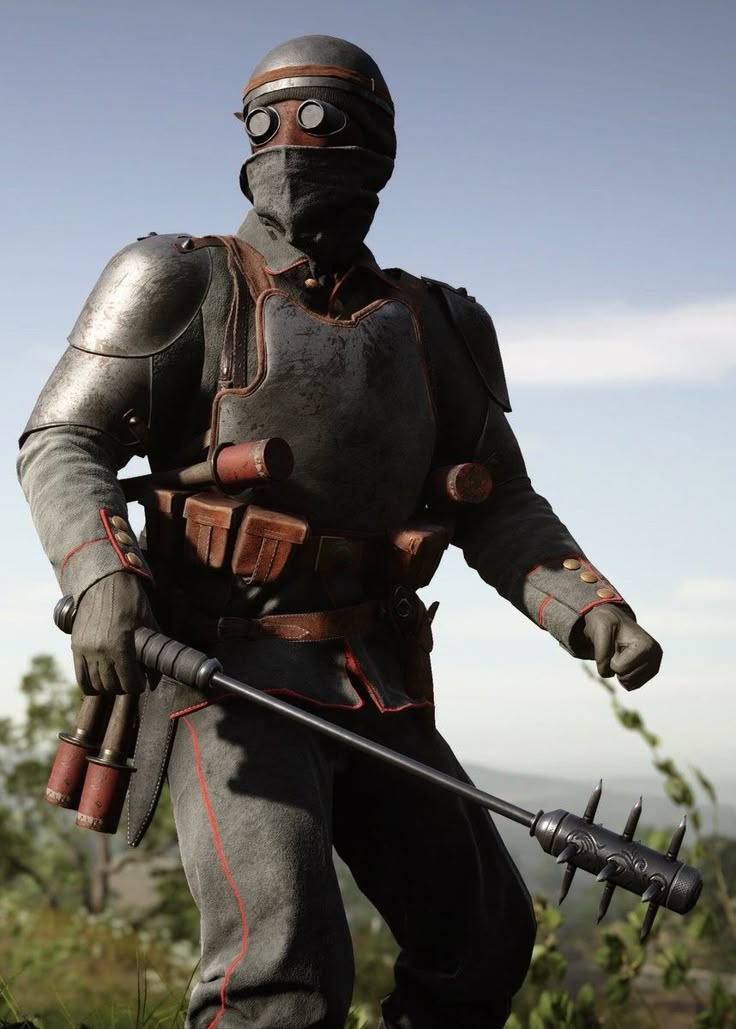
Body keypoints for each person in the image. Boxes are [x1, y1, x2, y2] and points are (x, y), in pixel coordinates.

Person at [17, 34, 662, 1029]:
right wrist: (102, 572)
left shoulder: (434, 323)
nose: (291, 144)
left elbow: (495, 498)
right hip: (222, 675)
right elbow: (64, 438)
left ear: (376, 149)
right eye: (270, 122)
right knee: (280, 973)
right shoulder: (179, 278)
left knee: (483, 939)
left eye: (322, 121)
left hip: (373, 674)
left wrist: (585, 606)